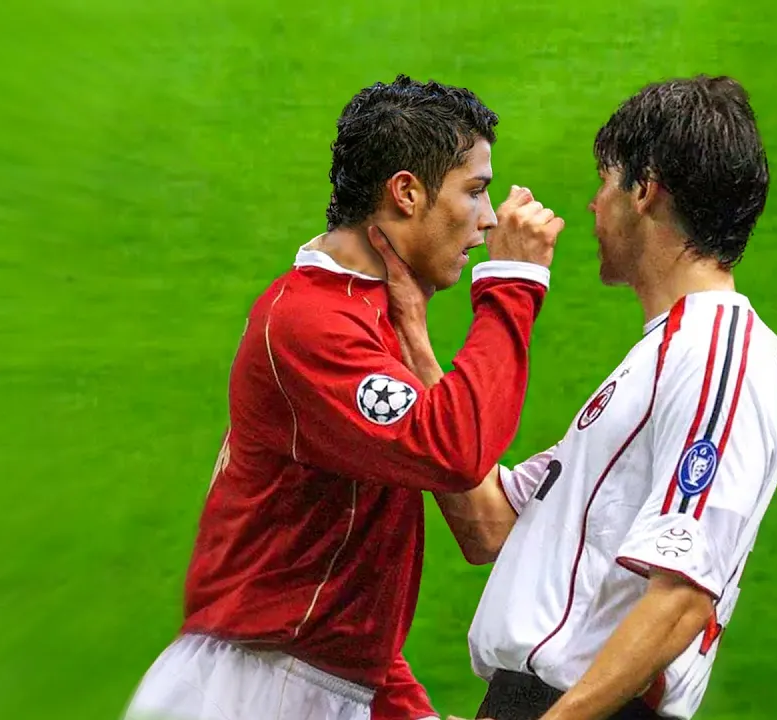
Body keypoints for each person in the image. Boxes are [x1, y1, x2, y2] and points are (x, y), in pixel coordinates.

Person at [121, 74, 565, 720]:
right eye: (474, 191)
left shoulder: (367, 316)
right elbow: (454, 451)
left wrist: (405, 709)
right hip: (249, 693)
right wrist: (514, 282)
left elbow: (350, 566)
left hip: (302, 679)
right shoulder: (313, 322)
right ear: (407, 193)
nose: (490, 218)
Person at [388, 74, 777, 720]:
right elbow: (490, 526)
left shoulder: (719, 355)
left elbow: (682, 598)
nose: (593, 206)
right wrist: (413, 338)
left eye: (604, 182)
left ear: (645, 189)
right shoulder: (657, 360)